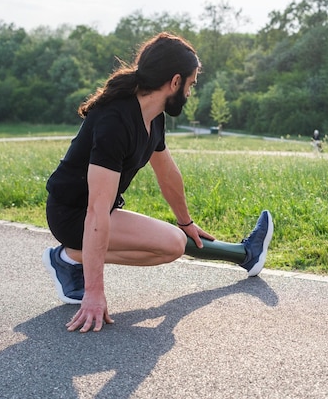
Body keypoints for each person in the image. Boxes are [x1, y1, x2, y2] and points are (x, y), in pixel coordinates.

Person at [42, 32, 273, 333]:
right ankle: (70, 256)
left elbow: (167, 174)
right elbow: (97, 210)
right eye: (190, 85)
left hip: (94, 213)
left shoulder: (153, 116)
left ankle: (70, 257)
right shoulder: (115, 120)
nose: (190, 93)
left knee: (174, 243)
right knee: (172, 244)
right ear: (174, 82)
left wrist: (186, 221)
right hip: (71, 214)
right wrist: (94, 293)